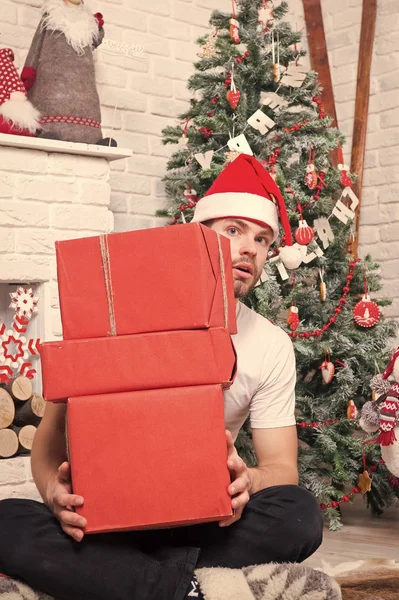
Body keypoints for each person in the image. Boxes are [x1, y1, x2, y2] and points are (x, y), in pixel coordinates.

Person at [0, 155, 329, 600]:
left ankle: (128, 581)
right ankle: (187, 586)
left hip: (205, 518)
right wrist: (53, 494)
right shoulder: (117, 312)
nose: (250, 247)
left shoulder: (271, 344)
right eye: (233, 230)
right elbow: (48, 443)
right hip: (109, 516)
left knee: (301, 513)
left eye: (263, 238)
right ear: (197, 236)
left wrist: (248, 481)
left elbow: (283, 470)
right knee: (7, 519)